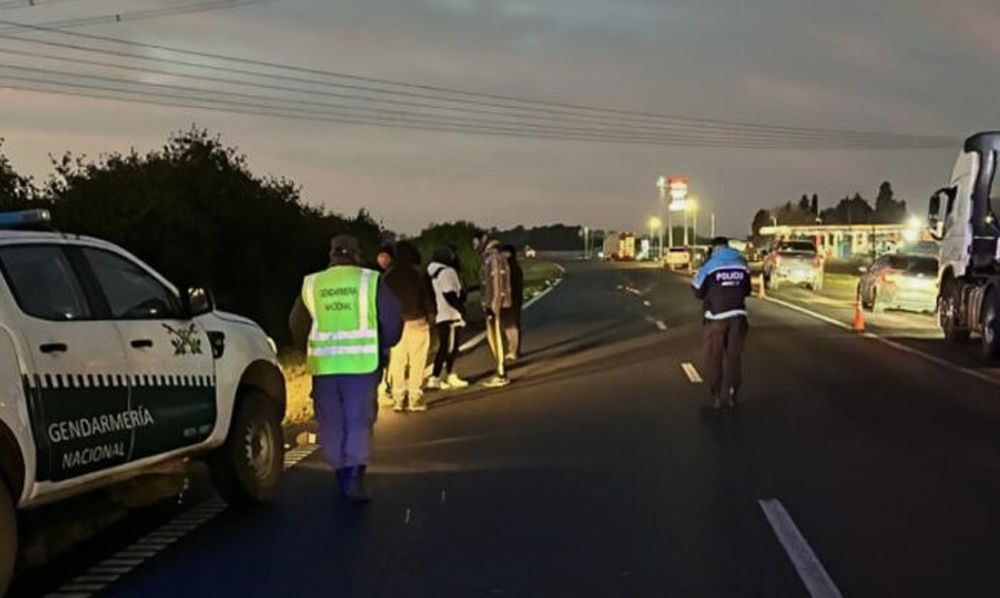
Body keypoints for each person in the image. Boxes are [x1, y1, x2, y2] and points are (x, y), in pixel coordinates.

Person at [288, 235, 402, 503]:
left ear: (331, 255)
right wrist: (382, 345)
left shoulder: (312, 283)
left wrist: (308, 349)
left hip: (324, 366)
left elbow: (296, 323)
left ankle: (340, 469)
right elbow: (392, 321)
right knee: (358, 419)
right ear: (356, 254)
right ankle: (354, 475)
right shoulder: (369, 281)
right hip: (361, 364)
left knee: (330, 420)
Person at [691, 236, 751, 410]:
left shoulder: (709, 266)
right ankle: (733, 393)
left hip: (715, 318)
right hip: (738, 316)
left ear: (714, 249)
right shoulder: (742, 264)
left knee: (714, 355)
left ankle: (716, 394)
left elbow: (697, 290)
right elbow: (747, 290)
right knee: (734, 357)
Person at [383, 241, 435, 412]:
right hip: (417, 320)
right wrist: (431, 315)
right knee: (417, 360)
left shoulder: (388, 276)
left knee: (397, 361)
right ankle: (415, 397)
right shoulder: (417, 274)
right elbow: (427, 297)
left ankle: (398, 398)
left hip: (396, 324)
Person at [426, 246, 469, 390]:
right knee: (450, 348)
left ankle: (437, 377)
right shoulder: (447, 272)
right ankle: (443, 376)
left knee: (445, 347)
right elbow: (450, 294)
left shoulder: (434, 273)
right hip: (450, 314)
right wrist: (461, 309)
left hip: (441, 314)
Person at [480, 237, 513, 387]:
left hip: (494, 306)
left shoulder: (493, 259)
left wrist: (493, 307)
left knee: (496, 337)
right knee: (494, 337)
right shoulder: (496, 258)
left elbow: (497, 285)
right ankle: (500, 370)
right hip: (495, 305)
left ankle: (501, 373)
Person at [499, 245, 524, 362]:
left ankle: (514, 350)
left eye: (503, 253)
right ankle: (512, 348)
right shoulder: (509, 266)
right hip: (510, 300)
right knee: (508, 325)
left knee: (512, 325)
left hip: (512, 300)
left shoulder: (511, 267)